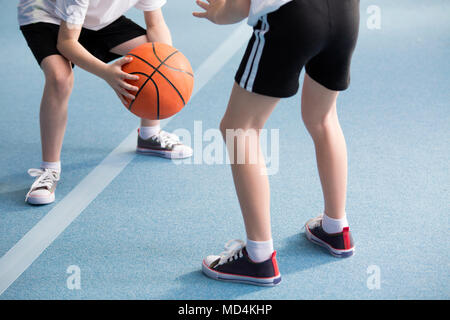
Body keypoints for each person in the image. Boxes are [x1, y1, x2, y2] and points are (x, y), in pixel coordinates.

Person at [194, 0, 360, 286]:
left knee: (239, 128)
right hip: (345, 14)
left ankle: (258, 256)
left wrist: (220, 14)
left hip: (296, 16)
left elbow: (242, 4)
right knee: (323, 119)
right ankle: (336, 227)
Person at [19, 0, 193, 205]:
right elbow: (66, 43)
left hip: (97, 20)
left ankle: (149, 134)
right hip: (48, 16)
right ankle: (49, 169)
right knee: (60, 78)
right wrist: (106, 73)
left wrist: (166, 69)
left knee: (150, 54)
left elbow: (156, 25)